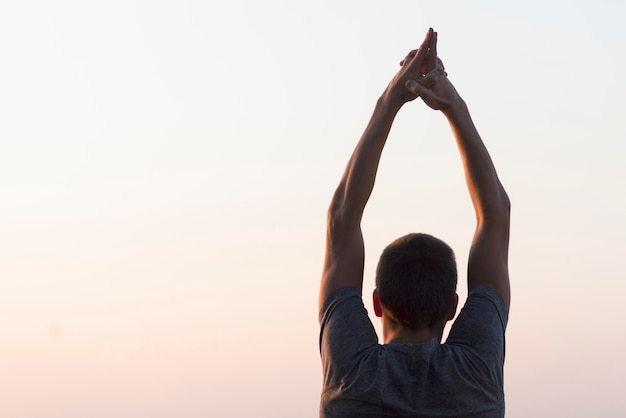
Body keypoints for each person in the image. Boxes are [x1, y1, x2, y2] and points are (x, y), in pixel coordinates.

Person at [318, 28, 511, 417]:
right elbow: (495, 215)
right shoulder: (475, 375)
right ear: (453, 307)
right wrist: (453, 105)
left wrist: (391, 98)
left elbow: (342, 217)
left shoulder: (351, 375)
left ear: (376, 302)